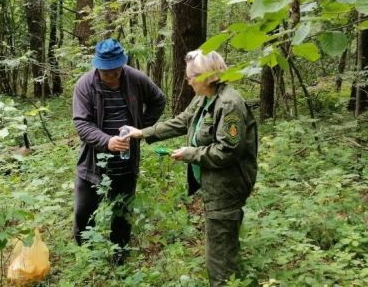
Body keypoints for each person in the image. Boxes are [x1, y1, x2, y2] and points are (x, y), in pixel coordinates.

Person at [125, 50, 257, 286]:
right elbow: (183, 121)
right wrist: (143, 133)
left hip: (227, 185)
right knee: (223, 242)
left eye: (191, 76)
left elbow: (227, 151)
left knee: (219, 255)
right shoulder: (204, 97)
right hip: (213, 182)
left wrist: (191, 154)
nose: (187, 81)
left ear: (208, 76)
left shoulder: (229, 104)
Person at [72, 38, 166, 262]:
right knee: (84, 212)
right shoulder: (85, 85)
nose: (113, 78)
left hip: (127, 161)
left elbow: (158, 100)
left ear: (122, 65)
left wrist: (141, 129)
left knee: (122, 213)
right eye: (107, 74)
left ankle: (119, 256)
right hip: (93, 163)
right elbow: (81, 124)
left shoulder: (134, 78)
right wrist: (107, 141)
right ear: (98, 67)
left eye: (116, 72)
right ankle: (84, 256)